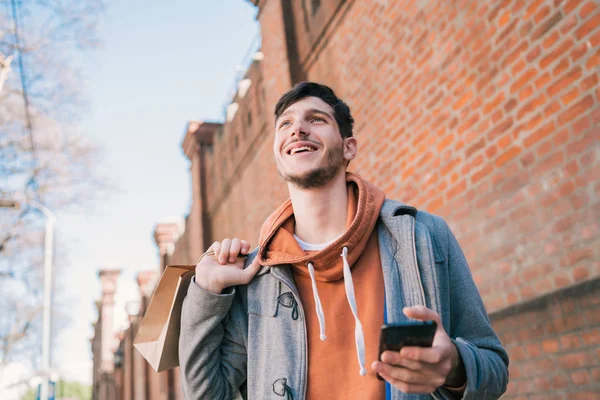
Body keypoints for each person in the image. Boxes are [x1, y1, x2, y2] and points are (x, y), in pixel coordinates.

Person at [179, 82, 509, 400]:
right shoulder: (256, 274)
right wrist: (206, 291)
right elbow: (207, 393)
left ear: (348, 146)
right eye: (286, 124)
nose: (298, 130)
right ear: (279, 155)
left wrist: (454, 366)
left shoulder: (424, 236)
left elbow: (494, 368)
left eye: (316, 120)